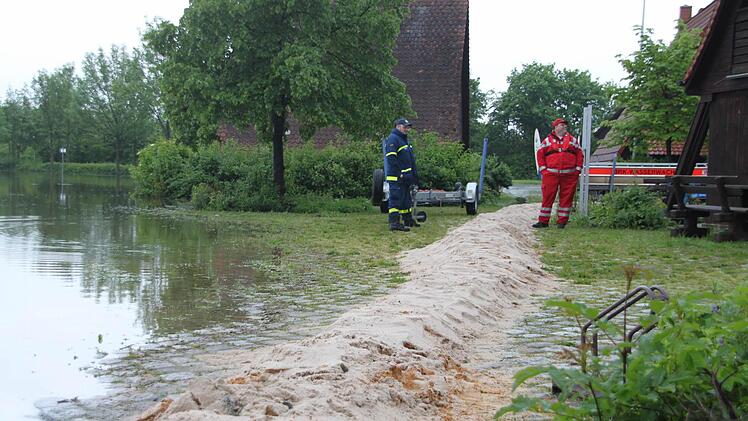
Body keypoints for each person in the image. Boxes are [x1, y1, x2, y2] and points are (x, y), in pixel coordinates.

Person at [533, 118, 584, 229]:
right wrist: (543, 170)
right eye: (562, 125)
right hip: (551, 174)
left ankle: (562, 222)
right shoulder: (547, 141)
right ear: (555, 127)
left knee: (567, 198)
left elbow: (580, 154)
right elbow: (540, 154)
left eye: (565, 125)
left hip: (569, 175)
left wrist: (577, 170)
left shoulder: (572, 141)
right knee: (548, 197)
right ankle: (543, 221)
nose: (564, 127)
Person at [384, 118, 419, 231]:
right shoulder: (393, 139)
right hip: (396, 177)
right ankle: (394, 223)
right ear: (398, 126)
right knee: (396, 199)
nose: (407, 129)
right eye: (405, 127)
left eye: (408, 127)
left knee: (405, 200)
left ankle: (407, 220)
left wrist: (413, 176)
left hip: (405, 177)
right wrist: (399, 174)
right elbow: (391, 159)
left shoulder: (403, 140)